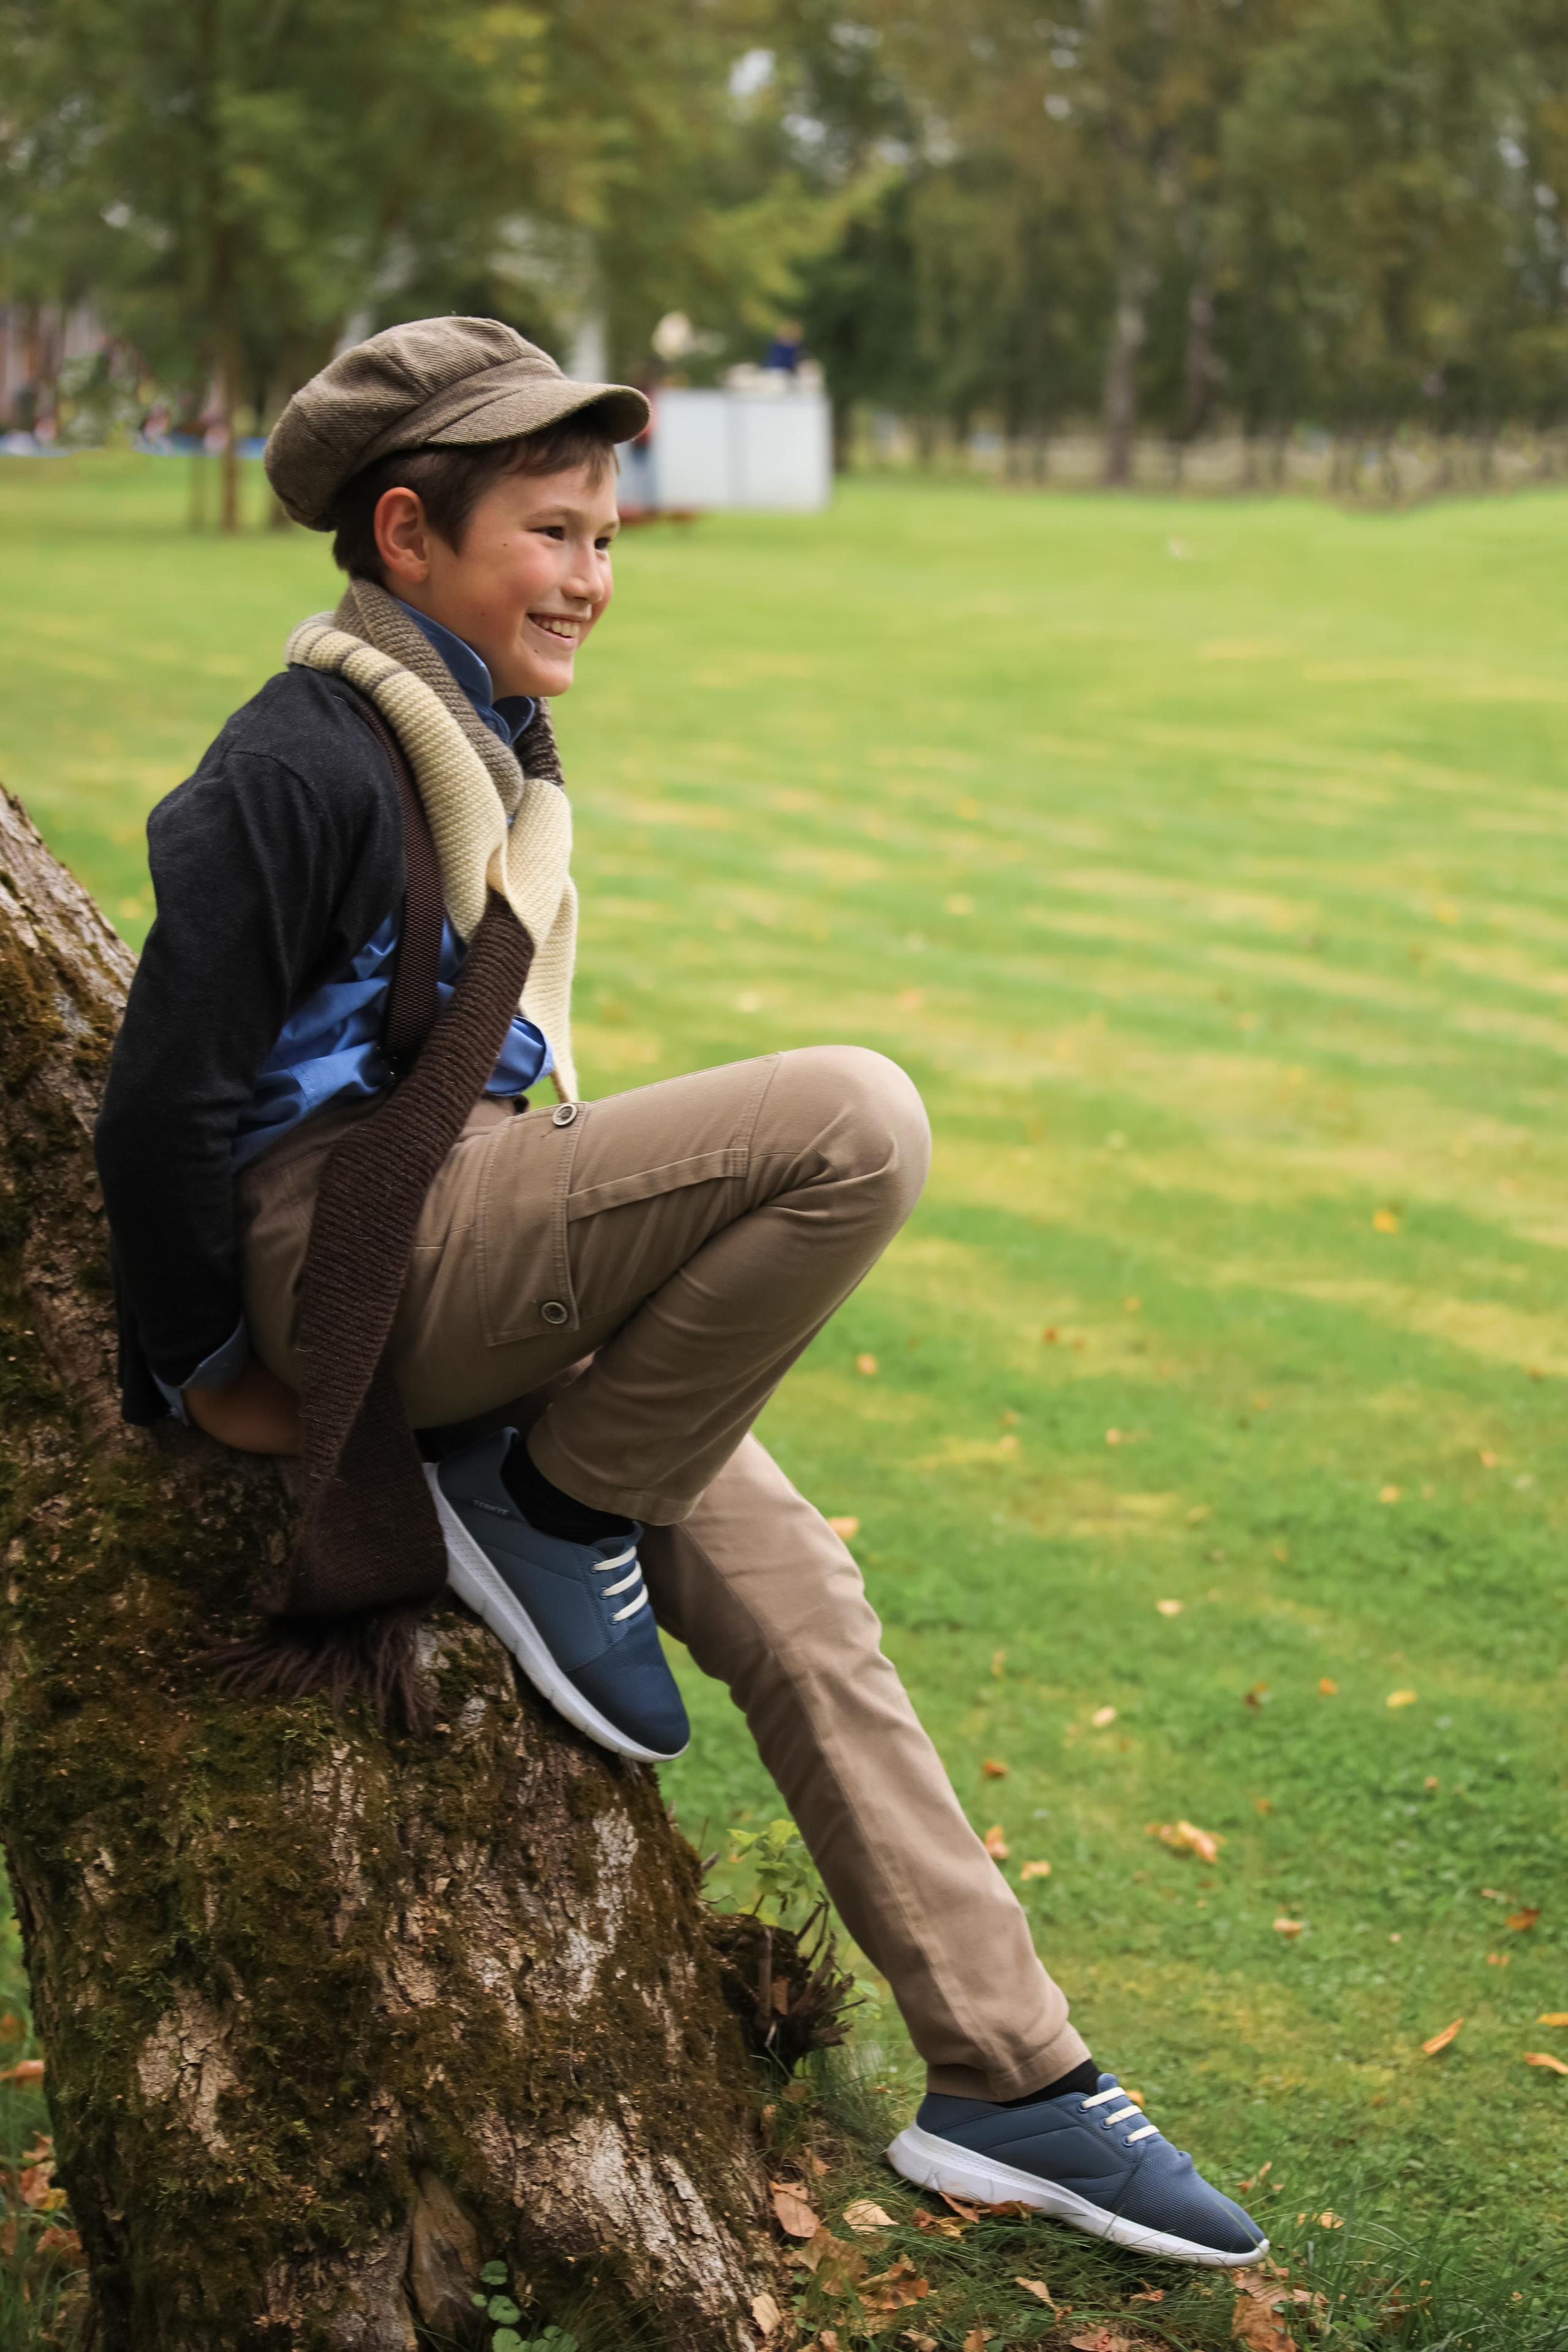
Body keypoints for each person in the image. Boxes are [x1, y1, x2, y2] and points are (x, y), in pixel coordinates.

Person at [94, 317, 1267, 2270]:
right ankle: (550, 1507)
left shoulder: (478, 735)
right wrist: (207, 1372)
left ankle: (1013, 2079)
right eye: (551, 533)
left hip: (450, 1229)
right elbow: (164, 1100)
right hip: (350, 1254)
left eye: (609, 539)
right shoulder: (296, 760)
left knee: (804, 1594)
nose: (590, 578)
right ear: (406, 532)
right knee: (853, 1123)